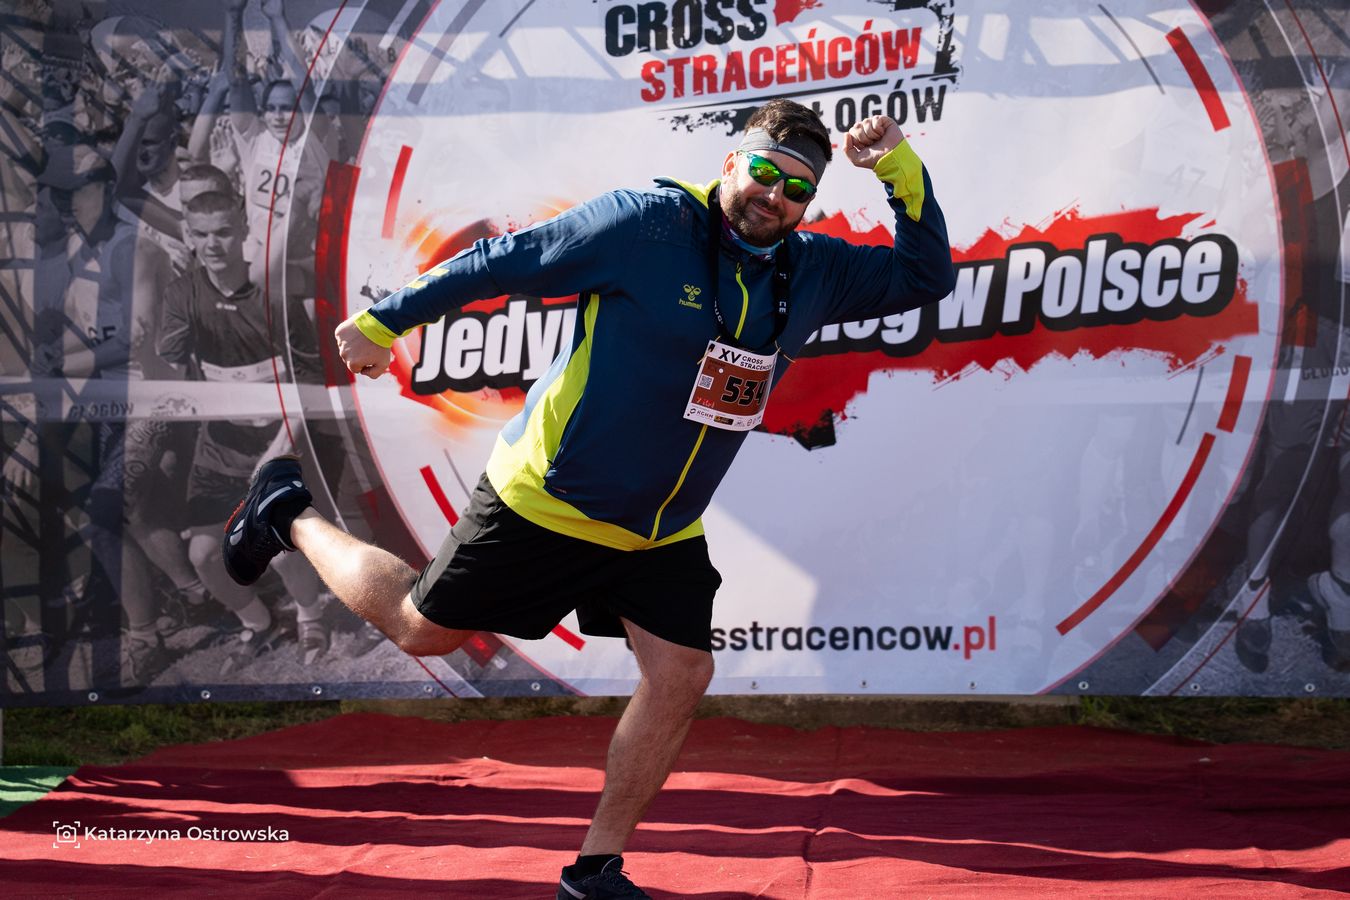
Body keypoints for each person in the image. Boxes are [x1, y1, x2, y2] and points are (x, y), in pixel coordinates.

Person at [223, 100, 955, 899]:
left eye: (797, 189)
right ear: (731, 163)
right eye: (764, 173)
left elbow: (927, 277)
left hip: (661, 527)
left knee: (681, 674)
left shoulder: (812, 269)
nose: (774, 196)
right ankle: (285, 512)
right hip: (552, 500)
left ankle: (595, 870)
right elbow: (503, 262)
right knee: (421, 629)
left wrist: (896, 165)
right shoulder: (647, 225)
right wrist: (385, 321)